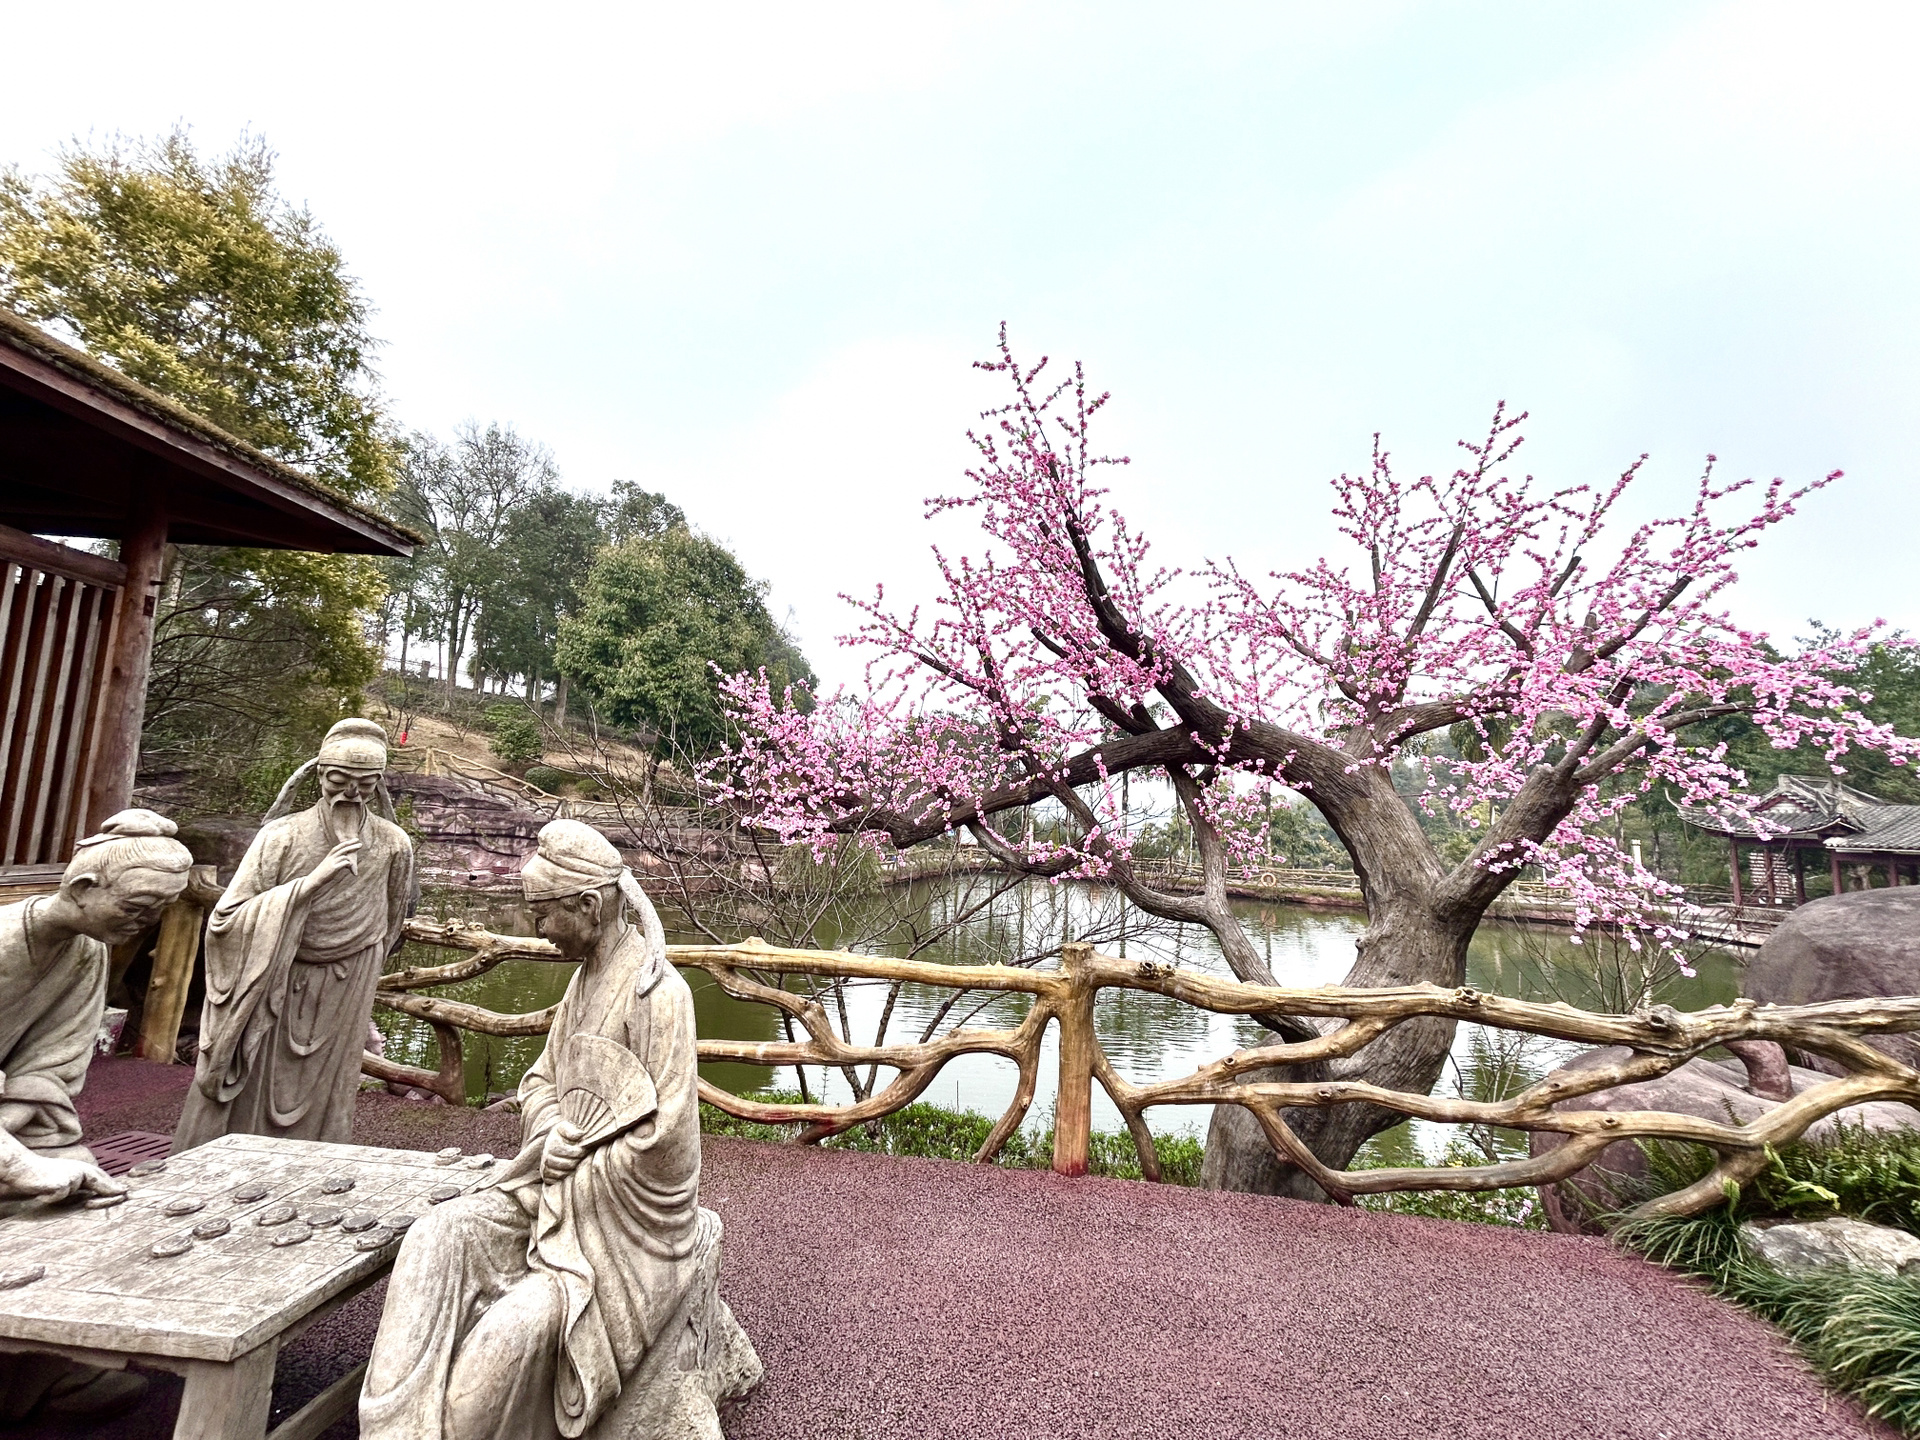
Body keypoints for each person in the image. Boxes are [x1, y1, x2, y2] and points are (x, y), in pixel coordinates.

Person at [359, 820, 759, 1440]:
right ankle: (396, 1427)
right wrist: (552, 1131)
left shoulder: (660, 995)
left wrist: (578, 1165)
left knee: (512, 1334)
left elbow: (671, 1144)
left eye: (543, 916)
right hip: (551, 1179)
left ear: (589, 905)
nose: (535, 931)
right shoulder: (582, 984)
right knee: (437, 1236)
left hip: (624, 1228)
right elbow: (540, 1082)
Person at [0, 808, 192, 1423]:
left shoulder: (86, 954)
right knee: (42, 1186)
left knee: (86, 1190)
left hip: (9, 1123)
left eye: (159, 911)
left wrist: (28, 1146)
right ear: (84, 888)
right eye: (139, 906)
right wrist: (17, 1164)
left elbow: (48, 1067)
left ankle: (45, 1370)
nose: (150, 923)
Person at [172, 718, 413, 1151]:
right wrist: (311, 885)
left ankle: (319, 1157)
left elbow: (393, 917)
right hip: (277, 973)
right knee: (259, 1078)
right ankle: (238, 1155)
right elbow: (229, 917)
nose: (351, 794)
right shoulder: (280, 836)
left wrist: (368, 953)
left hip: (353, 974)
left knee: (333, 1082)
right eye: (339, 780)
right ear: (319, 773)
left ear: (379, 784)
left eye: (366, 784)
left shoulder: (393, 843)